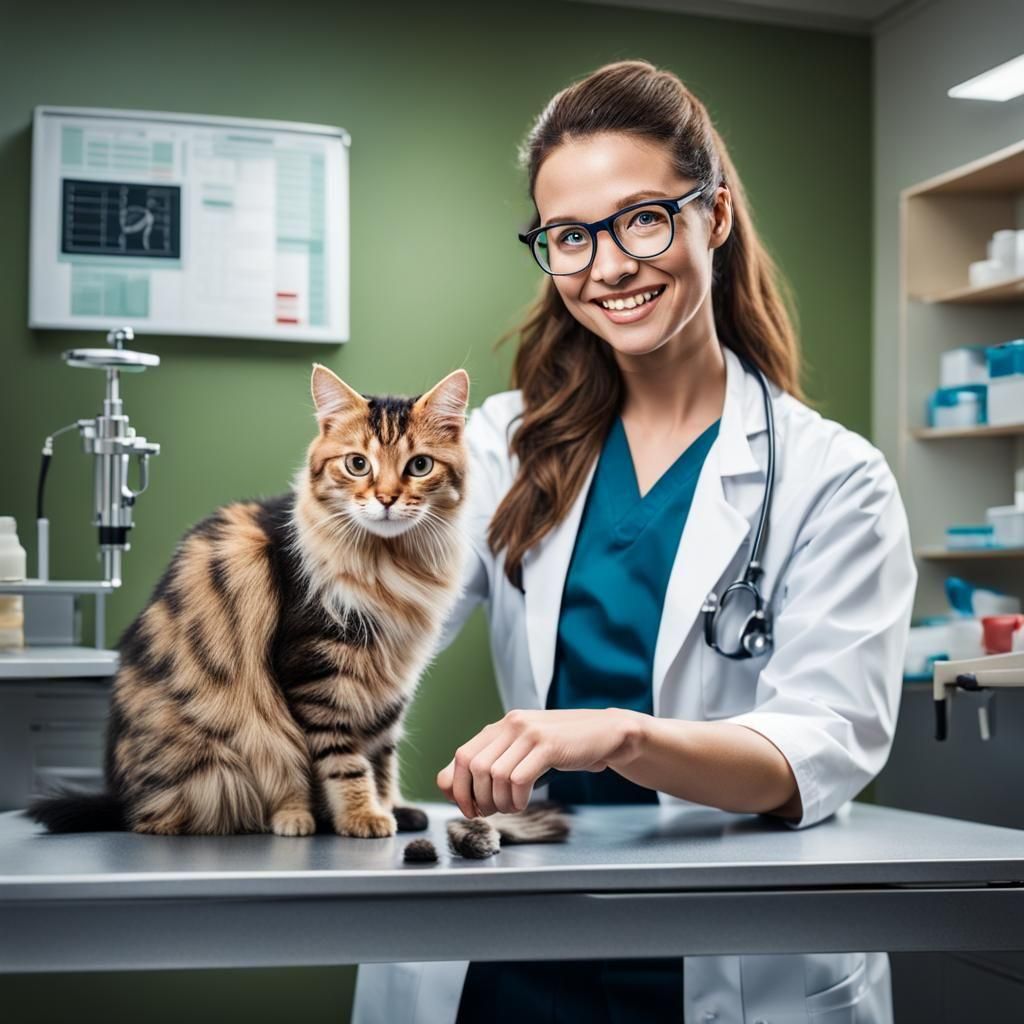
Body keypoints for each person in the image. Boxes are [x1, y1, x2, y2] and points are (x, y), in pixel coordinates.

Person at [352, 59, 916, 1024]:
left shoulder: (836, 480)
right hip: (515, 945)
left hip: (728, 950)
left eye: (643, 218)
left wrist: (622, 736)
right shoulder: (499, 445)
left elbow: (818, 751)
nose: (608, 267)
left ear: (716, 217)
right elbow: (371, 628)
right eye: (570, 236)